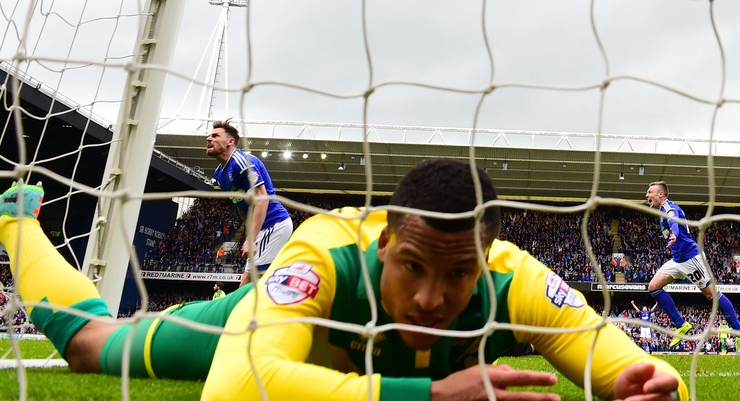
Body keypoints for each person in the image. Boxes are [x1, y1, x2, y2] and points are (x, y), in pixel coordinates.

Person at [0, 160, 689, 401]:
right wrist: (429, 391)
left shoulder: (517, 282)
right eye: (413, 266)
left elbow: (639, 372)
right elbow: (238, 383)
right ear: (385, 242)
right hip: (263, 324)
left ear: (486, 258)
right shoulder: (326, 249)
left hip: (314, 357)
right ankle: (17, 219)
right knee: (91, 347)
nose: (430, 296)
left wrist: (663, 387)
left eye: (457, 275)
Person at [644, 181, 740, 355]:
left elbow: (674, 221)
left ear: (660, 194)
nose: (647, 196)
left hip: (690, 259)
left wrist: (674, 234)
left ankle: (739, 332)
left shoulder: (669, 208)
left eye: (649, 192)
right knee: (653, 287)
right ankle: (681, 324)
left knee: (711, 294)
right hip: (678, 260)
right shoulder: (664, 210)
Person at [206, 120, 293, 286]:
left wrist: (251, 239)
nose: (209, 139)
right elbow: (241, 207)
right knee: (246, 284)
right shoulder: (219, 174)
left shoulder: (242, 161)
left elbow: (262, 198)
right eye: (209, 136)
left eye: (215, 135)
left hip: (274, 224)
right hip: (261, 230)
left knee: (251, 284)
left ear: (230, 142)